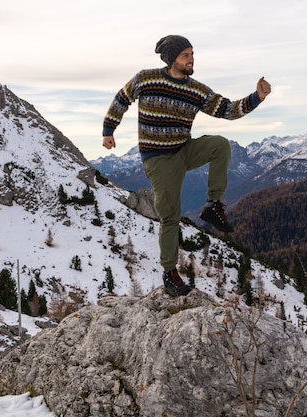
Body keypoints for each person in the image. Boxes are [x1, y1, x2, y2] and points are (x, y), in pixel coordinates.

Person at [102, 35, 271, 297]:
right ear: (172, 60)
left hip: (184, 149)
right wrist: (108, 130)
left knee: (221, 145)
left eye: (192, 53)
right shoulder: (146, 79)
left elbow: (227, 109)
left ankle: (213, 206)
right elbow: (121, 98)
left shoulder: (196, 90)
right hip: (158, 159)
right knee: (170, 214)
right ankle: (170, 273)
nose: (191, 59)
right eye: (185, 55)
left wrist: (257, 97)